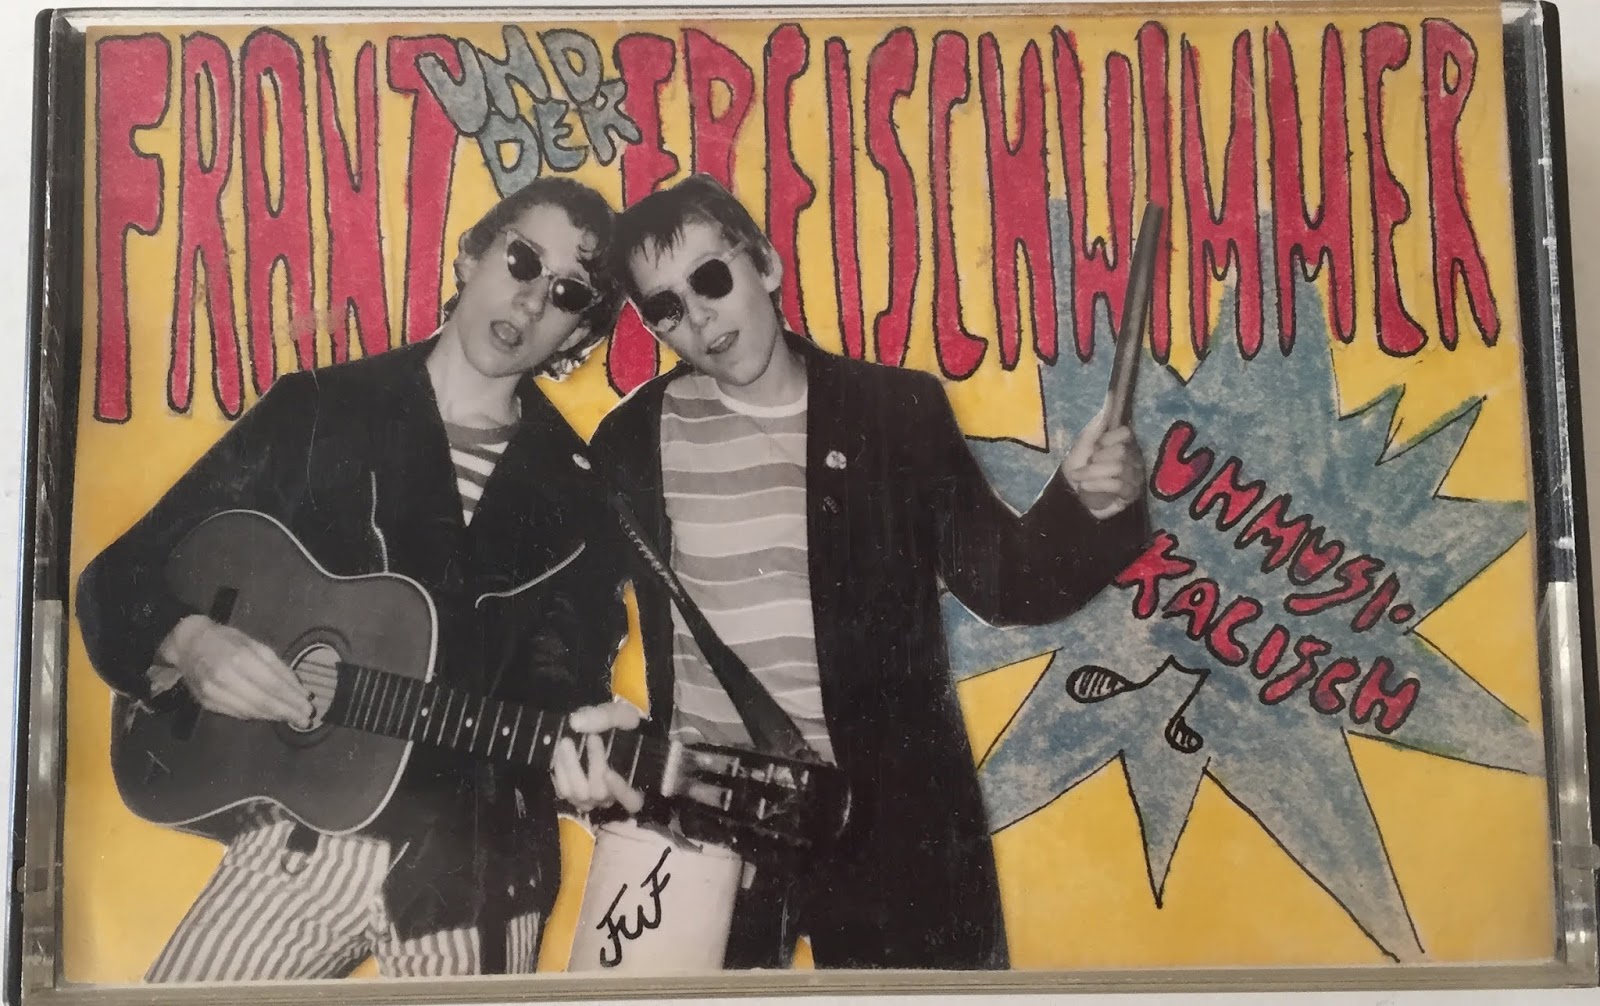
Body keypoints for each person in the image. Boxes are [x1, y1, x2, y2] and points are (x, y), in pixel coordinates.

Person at [559, 173, 1151, 969]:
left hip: (888, 834)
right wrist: (586, 730)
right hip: (706, 837)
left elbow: (1007, 582)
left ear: (764, 263)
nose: (698, 316)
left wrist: (1089, 503)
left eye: (710, 278)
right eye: (665, 306)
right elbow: (572, 612)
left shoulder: (894, 412)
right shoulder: (629, 441)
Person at [76, 176, 633, 981]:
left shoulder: (583, 499)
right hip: (300, 837)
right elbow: (116, 578)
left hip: (473, 866)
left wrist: (585, 767)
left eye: (568, 292)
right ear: (470, 255)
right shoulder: (318, 410)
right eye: (521, 260)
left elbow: (561, 687)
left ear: (576, 330)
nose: (531, 299)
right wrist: (190, 642)